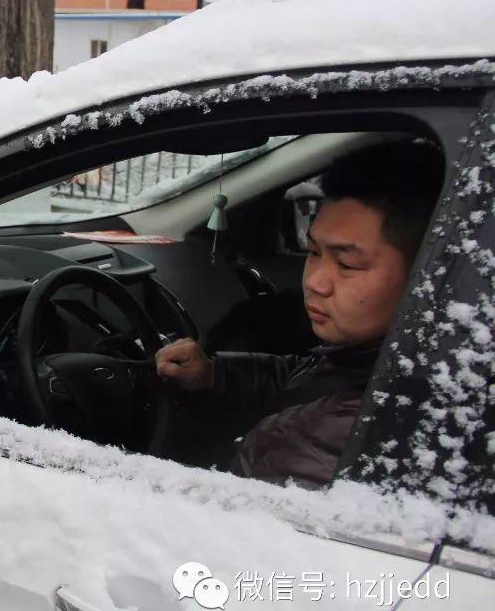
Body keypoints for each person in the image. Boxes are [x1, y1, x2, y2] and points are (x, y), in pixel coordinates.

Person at [155, 140, 444, 488]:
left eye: (347, 264)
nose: (315, 282)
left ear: (427, 274)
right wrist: (215, 372)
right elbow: (310, 378)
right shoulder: (386, 361)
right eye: (313, 251)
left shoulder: (310, 444)